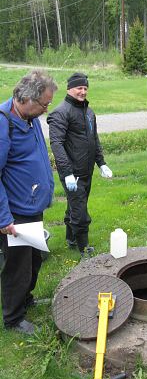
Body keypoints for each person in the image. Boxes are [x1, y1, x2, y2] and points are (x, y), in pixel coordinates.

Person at [0, 70, 57, 335]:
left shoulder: (30, 118)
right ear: (27, 98)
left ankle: (26, 300)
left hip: (32, 207)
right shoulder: (4, 124)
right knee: (17, 267)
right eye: (44, 104)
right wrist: (4, 218)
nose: (46, 109)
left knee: (35, 260)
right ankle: (13, 317)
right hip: (16, 214)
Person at [47, 73, 112, 259]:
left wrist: (102, 163)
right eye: (79, 88)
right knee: (80, 212)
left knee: (74, 206)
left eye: (85, 88)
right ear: (69, 89)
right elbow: (57, 144)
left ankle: (71, 239)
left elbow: (94, 139)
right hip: (72, 174)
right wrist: (66, 173)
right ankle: (84, 249)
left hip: (87, 171)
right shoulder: (61, 112)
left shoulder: (89, 112)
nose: (82, 91)